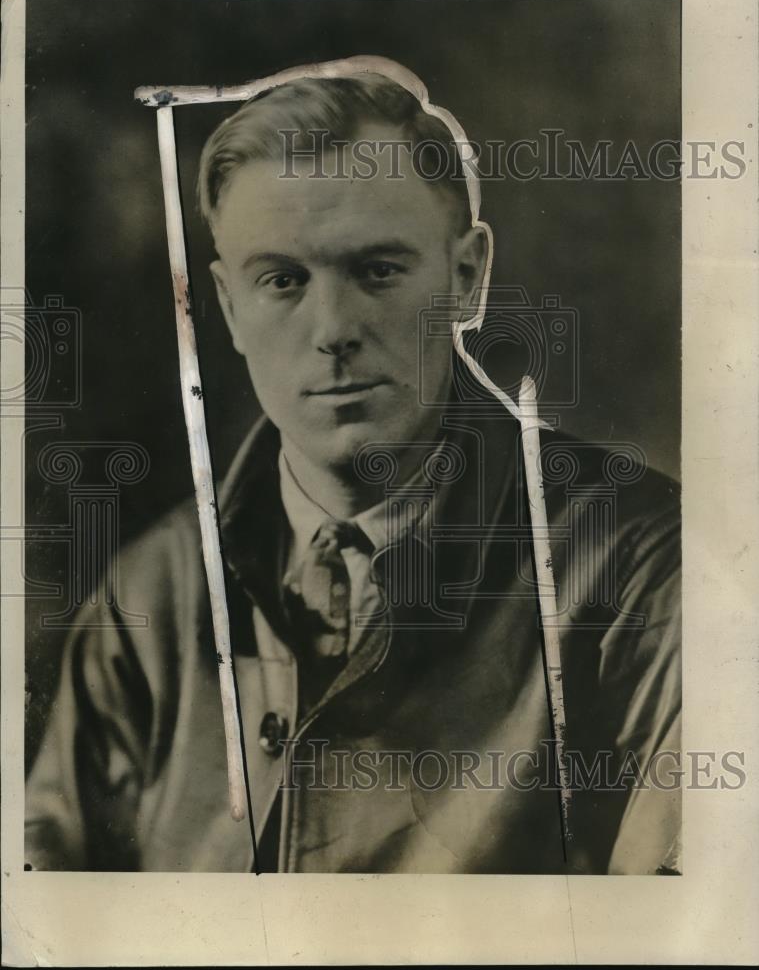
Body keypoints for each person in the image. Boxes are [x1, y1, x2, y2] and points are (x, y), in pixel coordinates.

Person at [25, 61, 681, 874]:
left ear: (466, 278)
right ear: (226, 308)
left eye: (376, 271)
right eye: (283, 281)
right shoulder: (147, 598)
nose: (332, 328)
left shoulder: (643, 574)